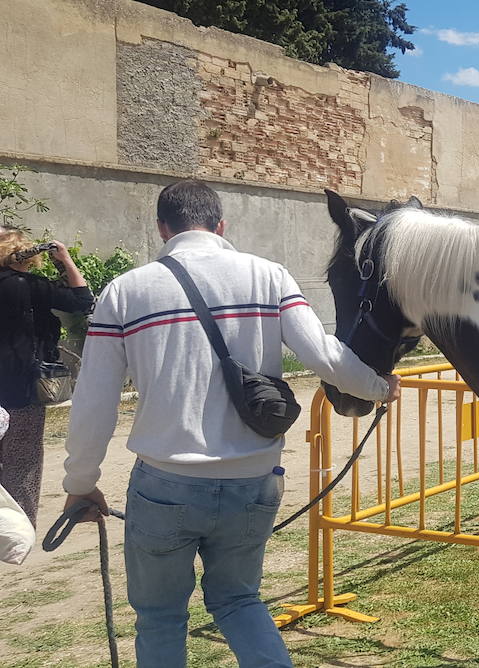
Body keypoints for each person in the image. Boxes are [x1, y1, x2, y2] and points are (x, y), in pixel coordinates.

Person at [61, 180, 403, 667]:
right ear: (222, 226)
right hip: (253, 480)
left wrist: (81, 483)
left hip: (164, 486)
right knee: (239, 601)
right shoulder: (269, 277)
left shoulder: (125, 291)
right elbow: (325, 355)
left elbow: (94, 399)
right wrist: (376, 386)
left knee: (159, 616)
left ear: (162, 229)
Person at [0, 229, 93, 528]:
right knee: (22, 460)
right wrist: (64, 260)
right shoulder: (32, 287)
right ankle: (17, 528)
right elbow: (82, 299)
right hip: (21, 389)